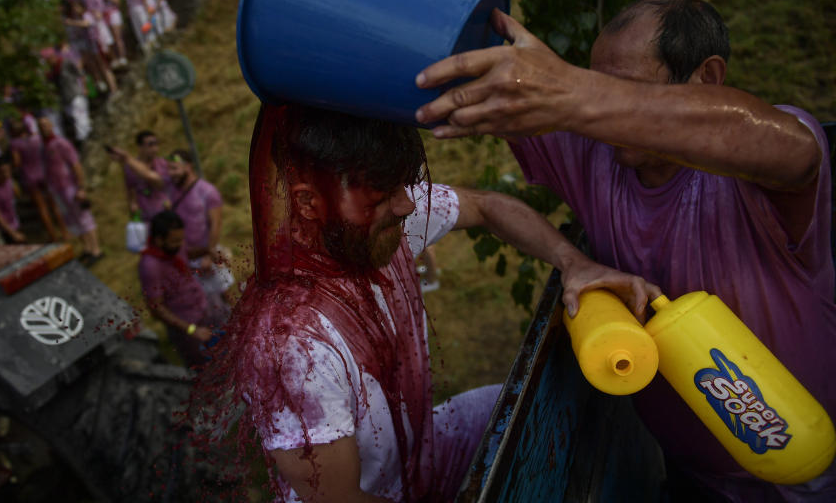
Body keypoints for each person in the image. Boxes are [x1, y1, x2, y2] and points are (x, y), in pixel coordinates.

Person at [414, 0, 836, 501]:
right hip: (692, 476)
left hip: (809, 468)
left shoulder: (763, 163)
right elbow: (452, 67)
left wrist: (576, 94)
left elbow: (790, 148)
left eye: (621, 88)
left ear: (707, 78)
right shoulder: (594, 151)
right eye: (596, 83)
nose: (599, 106)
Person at [222, 104, 658, 502]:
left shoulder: (377, 226)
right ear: (308, 202)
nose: (407, 204)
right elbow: (338, 499)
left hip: (423, 453)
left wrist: (574, 263)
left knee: (540, 405)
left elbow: (486, 207)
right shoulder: (290, 346)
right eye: (383, 195)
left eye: (402, 186)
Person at [139, 209, 218, 368]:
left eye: (181, 239)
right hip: (187, 326)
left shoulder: (175, 247)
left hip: (202, 306)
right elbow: (156, 308)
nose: (180, 244)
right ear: (159, 240)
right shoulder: (150, 267)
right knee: (204, 367)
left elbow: (186, 253)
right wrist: (191, 330)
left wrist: (207, 251)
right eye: (175, 241)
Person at [166, 148, 232, 324]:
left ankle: (241, 323)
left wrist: (209, 256)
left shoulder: (207, 192)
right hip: (186, 258)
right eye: (169, 169)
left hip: (207, 255)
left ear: (188, 166)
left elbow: (215, 224)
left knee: (225, 293)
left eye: (174, 168)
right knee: (201, 301)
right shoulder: (172, 191)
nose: (170, 174)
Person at [38, 116, 104, 265]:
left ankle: (96, 249)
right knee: (72, 219)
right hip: (57, 189)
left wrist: (80, 187)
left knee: (83, 217)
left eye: (46, 125)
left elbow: (75, 164)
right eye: (41, 126)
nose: (44, 128)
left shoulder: (61, 143)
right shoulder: (44, 147)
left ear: (51, 126)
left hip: (70, 187)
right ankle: (87, 248)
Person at [8, 117, 68, 241]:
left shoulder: (15, 144)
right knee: (54, 204)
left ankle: (53, 236)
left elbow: (17, 162)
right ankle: (64, 231)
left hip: (29, 176)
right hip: (44, 173)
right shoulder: (37, 139)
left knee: (42, 208)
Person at [107, 130, 172, 222]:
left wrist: (126, 158)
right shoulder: (129, 169)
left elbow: (159, 182)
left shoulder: (163, 164)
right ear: (140, 147)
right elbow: (130, 191)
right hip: (145, 217)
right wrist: (133, 212)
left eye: (156, 144)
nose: (155, 148)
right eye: (150, 145)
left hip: (165, 214)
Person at [0, 155, 25, 244]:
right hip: (6, 229)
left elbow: (17, 194)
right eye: (2, 172)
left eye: (8, 171)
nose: (6, 174)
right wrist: (12, 233)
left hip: (15, 221)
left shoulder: (8, 180)